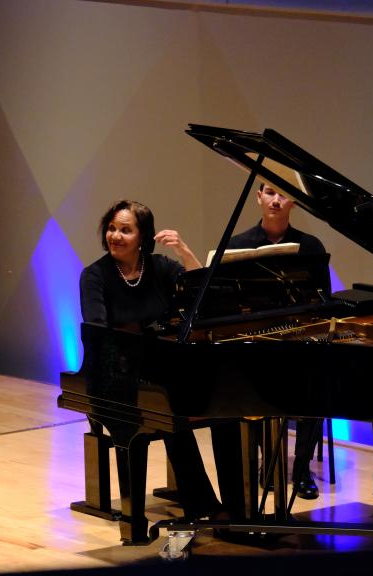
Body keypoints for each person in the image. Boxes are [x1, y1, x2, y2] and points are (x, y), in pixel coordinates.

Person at [80, 199, 244, 521]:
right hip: (117, 371)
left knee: (228, 409)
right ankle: (201, 505)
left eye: (125, 230)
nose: (115, 235)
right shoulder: (95, 276)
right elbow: (99, 335)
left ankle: (237, 508)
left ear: (143, 237)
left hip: (163, 365)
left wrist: (184, 250)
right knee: (169, 411)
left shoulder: (159, 267)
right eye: (112, 228)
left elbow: (202, 294)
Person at [227, 182, 330, 500]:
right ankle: (268, 463)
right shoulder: (239, 244)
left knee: (317, 387)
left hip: (299, 341)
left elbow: (323, 302)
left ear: (293, 202)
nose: (275, 200)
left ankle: (301, 470)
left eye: (282, 194)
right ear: (258, 197)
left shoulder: (310, 246)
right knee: (252, 388)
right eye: (269, 192)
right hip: (257, 342)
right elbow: (232, 300)